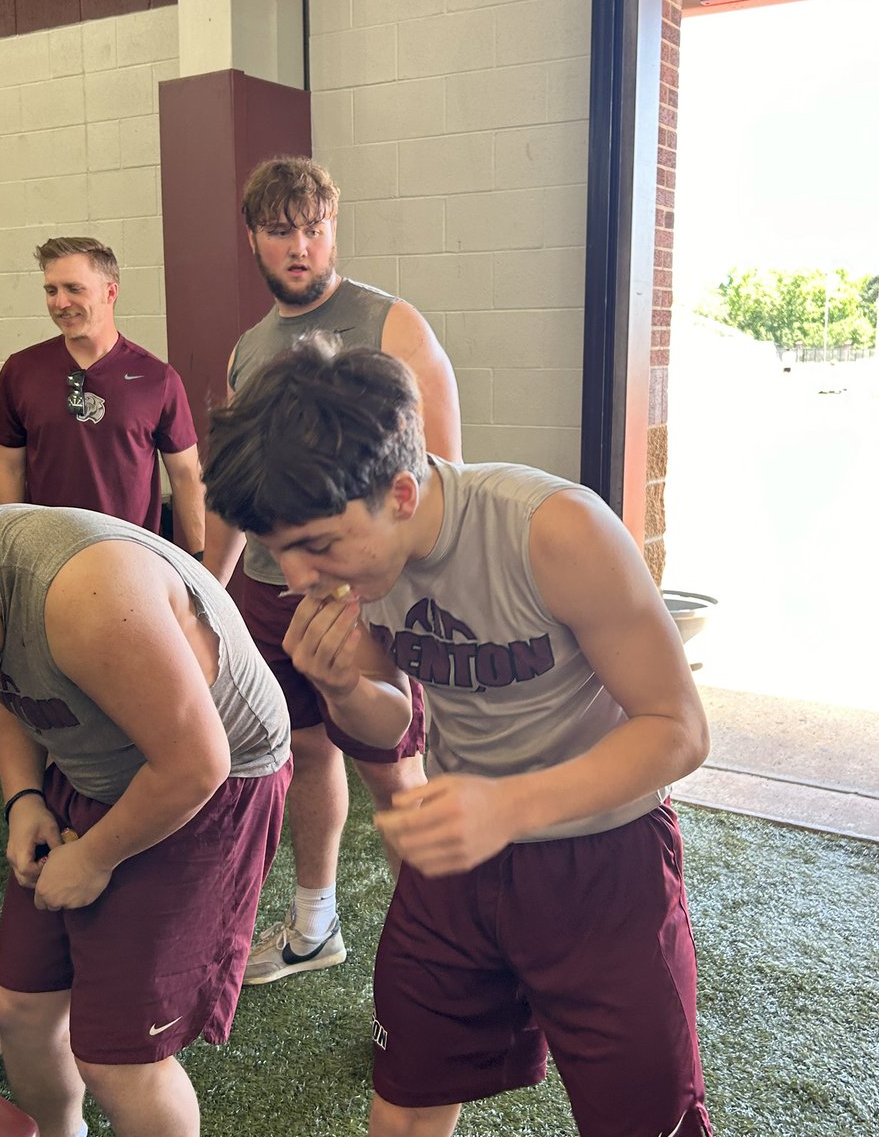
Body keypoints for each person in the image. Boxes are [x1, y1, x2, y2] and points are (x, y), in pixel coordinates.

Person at [202, 336, 714, 1137]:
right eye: (280, 550)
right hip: (459, 860)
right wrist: (339, 684)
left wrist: (510, 808)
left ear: (401, 492)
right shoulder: (360, 570)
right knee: (402, 1108)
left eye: (316, 545)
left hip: (602, 860)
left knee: (646, 1123)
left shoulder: (555, 530)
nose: (299, 576)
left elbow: (679, 730)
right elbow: (392, 718)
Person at [203, 156, 461, 984]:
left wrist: (400, 594)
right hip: (273, 596)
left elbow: (441, 474)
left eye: (313, 228)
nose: (300, 246)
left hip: (366, 600)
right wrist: (213, 584)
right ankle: (315, 926)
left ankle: (447, 959)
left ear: (332, 228)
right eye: (281, 231)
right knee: (305, 754)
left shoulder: (392, 327)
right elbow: (236, 485)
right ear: (255, 239)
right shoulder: (248, 350)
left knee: (395, 773)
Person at [0, 504, 291, 1137]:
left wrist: (96, 857)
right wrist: (23, 798)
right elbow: (5, 683)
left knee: (118, 1062)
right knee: (19, 1006)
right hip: (97, 759)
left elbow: (194, 765)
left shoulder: (80, 595)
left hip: (216, 774)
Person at [0, 237, 205, 554]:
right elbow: (7, 466)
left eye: (74, 289)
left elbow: (187, 475)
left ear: (110, 292)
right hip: (46, 562)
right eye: (51, 291)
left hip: (134, 560)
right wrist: (6, 557)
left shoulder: (158, 379)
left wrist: (202, 564)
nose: (60, 302)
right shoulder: (20, 370)